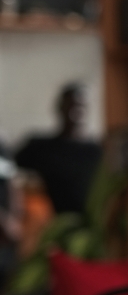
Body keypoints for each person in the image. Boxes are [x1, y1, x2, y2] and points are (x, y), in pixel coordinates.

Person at [15, 84, 101, 215]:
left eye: (81, 106)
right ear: (60, 107)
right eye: (70, 105)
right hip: (57, 223)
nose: (76, 110)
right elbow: (10, 168)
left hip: (91, 222)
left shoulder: (97, 152)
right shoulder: (41, 148)